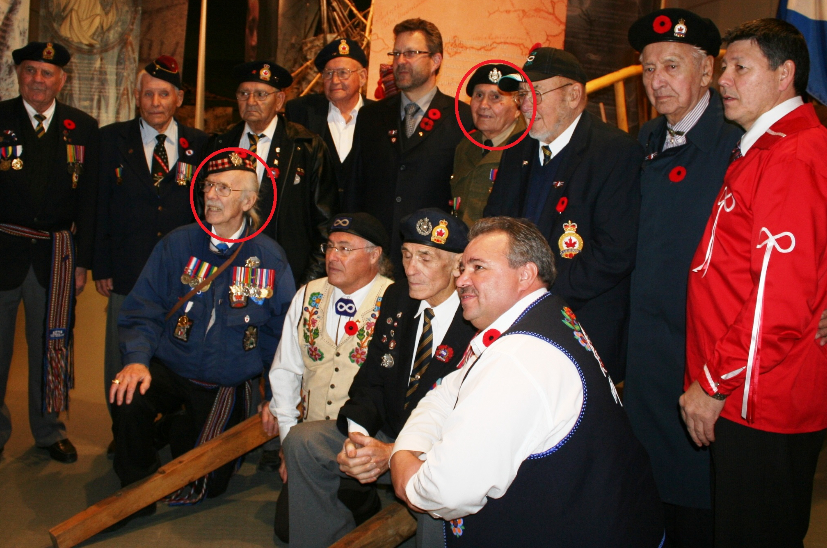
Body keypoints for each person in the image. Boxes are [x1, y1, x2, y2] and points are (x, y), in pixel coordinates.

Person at [624, 8, 827, 546]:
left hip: (748, 383)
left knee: (731, 521)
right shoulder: (669, 141)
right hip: (686, 366)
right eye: (647, 67)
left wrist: (717, 380)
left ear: (784, 74)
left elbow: (781, 290)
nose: (728, 81)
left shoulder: (774, 147)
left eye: (738, 69)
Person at [390, 217, 664, 546]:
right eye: (461, 268)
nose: (461, 279)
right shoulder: (547, 315)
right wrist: (412, 447)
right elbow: (446, 392)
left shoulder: (519, 356)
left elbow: (443, 492)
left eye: (478, 267)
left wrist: (402, 463)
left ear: (526, 275)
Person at [108, 150, 295, 528]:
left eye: (224, 189)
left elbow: (281, 337)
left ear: (248, 201)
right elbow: (143, 307)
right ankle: (135, 485)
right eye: (209, 185)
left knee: (204, 484)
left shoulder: (269, 258)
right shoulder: (177, 245)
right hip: (172, 365)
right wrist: (136, 360)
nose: (211, 195)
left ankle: (175, 430)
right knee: (128, 395)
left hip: (225, 382)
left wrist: (275, 399)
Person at [283, 209, 475, 548]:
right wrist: (360, 438)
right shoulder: (398, 297)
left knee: (437, 513)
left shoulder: (476, 316)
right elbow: (371, 378)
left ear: (458, 264)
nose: (411, 268)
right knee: (303, 442)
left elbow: (468, 422)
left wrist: (393, 453)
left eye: (425, 258)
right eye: (406, 255)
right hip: (388, 428)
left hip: (440, 447)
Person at [0, 41, 98, 474]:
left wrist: (83, 263)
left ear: (62, 80)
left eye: (47, 72)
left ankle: (50, 430)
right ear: (19, 76)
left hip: (55, 260)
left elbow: (87, 203)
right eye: (30, 70)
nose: (38, 79)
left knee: (51, 347)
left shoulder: (82, 127)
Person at [485, 46, 641, 379]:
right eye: (523, 93)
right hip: (514, 319)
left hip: (580, 328)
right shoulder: (517, 150)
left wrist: (536, 292)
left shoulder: (615, 152)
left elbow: (614, 253)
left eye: (536, 92)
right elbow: (492, 228)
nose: (525, 103)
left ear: (573, 95)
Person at [263, 212, 393, 542]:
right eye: (330, 247)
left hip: (366, 438)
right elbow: (285, 371)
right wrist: (288, 444)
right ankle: (353, 503)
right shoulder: (308, 294)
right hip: (312, 442)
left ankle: (360, 498)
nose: (332, 257)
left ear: (375, 255)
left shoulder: (396, 302)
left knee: (338, 508)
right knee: (287, 529)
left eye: (345, 249)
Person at [93, 55, 209, 425]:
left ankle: (168, 420)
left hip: (185, 274)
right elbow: (97, 207)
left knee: (178, 349)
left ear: (178, 98)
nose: (155, 102)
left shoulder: (202, 144)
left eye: (164, 94)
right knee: (123, 351)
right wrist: (102, 265)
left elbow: (210, 212)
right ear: (137, 98)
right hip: (128, 270)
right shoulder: (110, 140)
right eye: (148, 94)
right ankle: (124, 426)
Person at [344, 19, 473, 271]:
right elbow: (354, 186)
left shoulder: (462, 118)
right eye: (396, 53)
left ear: (436, 60)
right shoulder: (371, 116)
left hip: (432, 258)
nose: (400, 61)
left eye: (411, 53)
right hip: (375, 258)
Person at [206, 60, 338, 285]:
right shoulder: (219, 144)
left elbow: (325, 223)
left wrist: (308, 282)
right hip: (226, 268)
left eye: (260, 95)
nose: (251, 101)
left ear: (279, 100)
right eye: (244, 93)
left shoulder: (306, 146)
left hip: (285, 272)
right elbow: (203, 210)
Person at [285, 38, 371, 199]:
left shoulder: (379, 115)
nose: (335, 80)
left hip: (362, 218)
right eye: (328, 73)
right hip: (313, 219)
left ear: (363, 77)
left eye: (343, 73)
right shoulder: (301, 112)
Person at [450, 63, 526, 226]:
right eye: (478, 95)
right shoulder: (465, 146)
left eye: (495, 97)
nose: (483, 105)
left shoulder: (528, 149)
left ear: (518, 106)